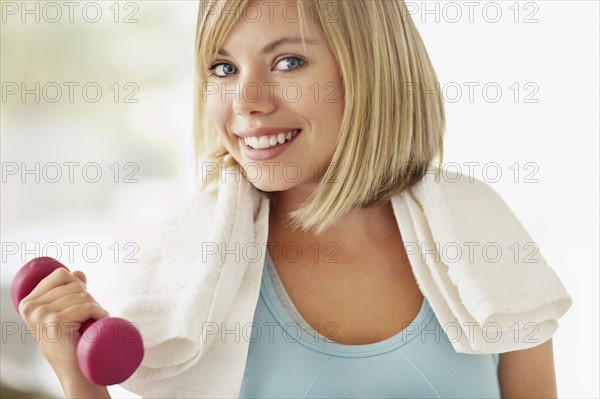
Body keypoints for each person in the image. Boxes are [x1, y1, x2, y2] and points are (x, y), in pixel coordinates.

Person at [18, 0, 567, 398]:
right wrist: (76, 376)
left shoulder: (477, 231)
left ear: (373, 71)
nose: (246, 101)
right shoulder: (196, 262)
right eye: (224, 68)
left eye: (288, 63)